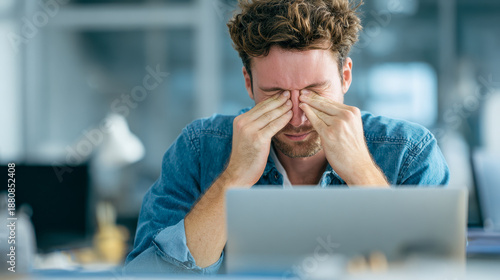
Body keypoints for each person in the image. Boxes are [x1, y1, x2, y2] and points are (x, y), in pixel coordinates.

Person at [124, 0, 449, 274]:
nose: (297, 116)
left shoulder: (410, 152)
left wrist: (362, 171)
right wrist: (235, 178)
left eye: (314, 91)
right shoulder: (199, 147)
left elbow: (437, 274)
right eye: (276, 94)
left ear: (345, 76)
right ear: (248, 84)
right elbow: (147, 276)